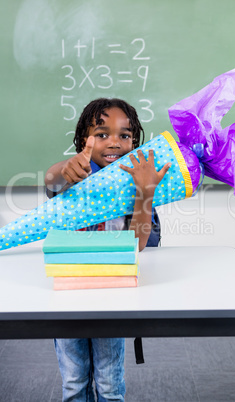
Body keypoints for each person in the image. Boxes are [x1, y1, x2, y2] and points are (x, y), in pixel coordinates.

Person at [45, 98, 171, 401]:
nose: (114, 142)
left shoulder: (136, 183)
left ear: (134, 142)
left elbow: (137, 244)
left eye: (124, 135)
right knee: (74, 383)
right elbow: (52, 180)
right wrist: (65, 167)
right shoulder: (75, 174)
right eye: (102, 134)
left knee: (110, 385)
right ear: (82, 140)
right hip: (68, 295)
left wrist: (144, 193)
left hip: (112, 295)